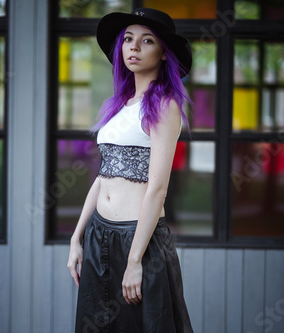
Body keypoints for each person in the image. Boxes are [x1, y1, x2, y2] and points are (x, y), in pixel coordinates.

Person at [67, 7, 194, 333]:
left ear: (164, 53)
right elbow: (104, 176)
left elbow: (158, 189)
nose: (133, 47)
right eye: (128, 39)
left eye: (146, 40)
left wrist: (135, 260)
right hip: (99, 234)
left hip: (140, 238)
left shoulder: (165, 105)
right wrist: (77, 235)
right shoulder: (119, 106)